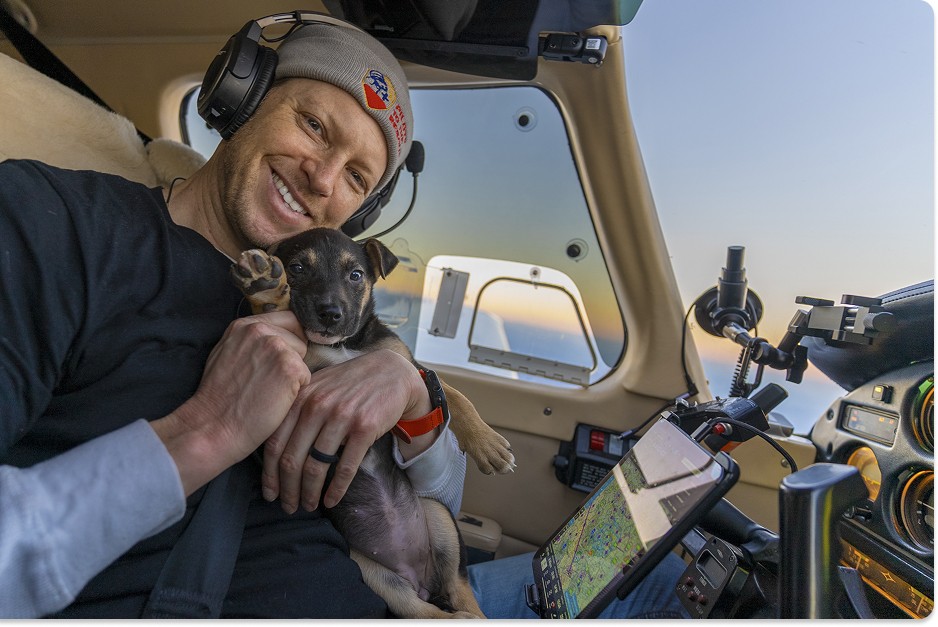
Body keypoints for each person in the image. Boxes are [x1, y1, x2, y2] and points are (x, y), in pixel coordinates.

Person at [0, 16, 688, 619]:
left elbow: (440, 497)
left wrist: (413, 396)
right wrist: (201, 432)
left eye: (358, 177)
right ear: (243, 97)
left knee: (670, 578)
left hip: (410, 585)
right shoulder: (50, 225)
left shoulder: (333, 312)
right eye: (313, 125)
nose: (324, 178)